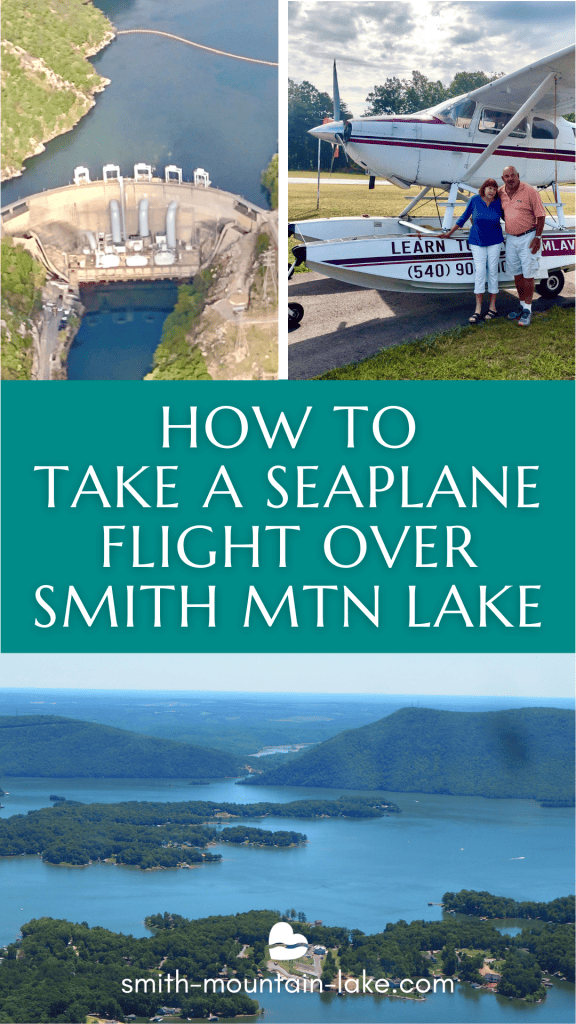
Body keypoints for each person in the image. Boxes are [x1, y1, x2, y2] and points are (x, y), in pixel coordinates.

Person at [440, 179, 503, 323]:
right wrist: (449, 233)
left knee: (493, 271)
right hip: (477, 241)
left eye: (494, 189)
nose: (491, 191)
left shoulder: (498, 202)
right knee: (480, 272)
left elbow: (509, 217)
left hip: (495, 241)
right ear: (483, 188)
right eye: (489, 188)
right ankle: (478, 309)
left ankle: (492, 307)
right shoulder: (474, 200)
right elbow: (463, 218)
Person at [499, 165, 546, 327]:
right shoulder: (501, 192)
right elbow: (498, 209)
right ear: (503, 178)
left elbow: (541, 216)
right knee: (517, 274)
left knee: (528, 274)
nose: (510, 179)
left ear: (518, 175)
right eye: (507, 176)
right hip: (511, 238)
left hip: (529, 236)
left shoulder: (530, 191)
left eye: (513, 175)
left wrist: (537, 237)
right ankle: (521, 306)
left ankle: (528, 309)